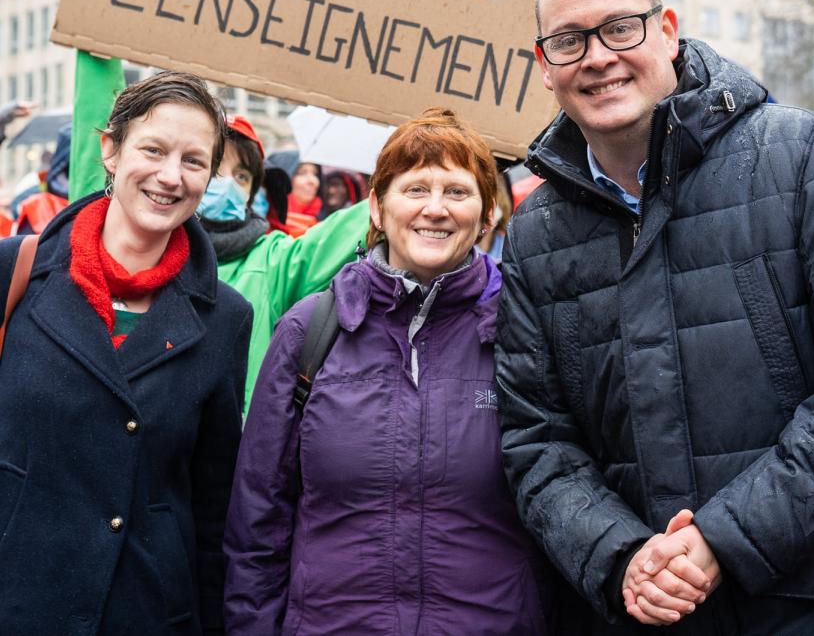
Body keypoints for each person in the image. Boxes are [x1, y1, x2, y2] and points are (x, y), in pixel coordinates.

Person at [495, 0, 814, 635]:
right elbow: (536, 440)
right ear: (543, 66)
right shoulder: (535, 232)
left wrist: (719, 541)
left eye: (620, 28)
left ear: (666, 31)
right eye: (569, 41)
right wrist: (621, 559)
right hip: (639, 614)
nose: (598, 56)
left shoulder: (800, 160)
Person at [224, 108, 554, 635]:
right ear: (377, 206)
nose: (436, 209)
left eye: (457, 191)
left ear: (488, 212)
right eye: (416, 188)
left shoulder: (526, 329)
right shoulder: (309, 331)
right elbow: (258, 520)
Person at [0, 72, 252, 634]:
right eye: (153, 150)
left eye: (193, 160)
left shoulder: (226, 317)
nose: (170, 176)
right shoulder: (14, 271)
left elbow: (213, 508)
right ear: (111, 151)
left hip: (144, 608)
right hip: (20, 596)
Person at [70, 55, 370, 410]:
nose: (223, 183)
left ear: (254, 193)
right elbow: (96, 127)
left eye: (241, 175)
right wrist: (97, 49)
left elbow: (359, 224)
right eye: (212, 166)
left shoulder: (273, 262)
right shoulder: (109, 233)